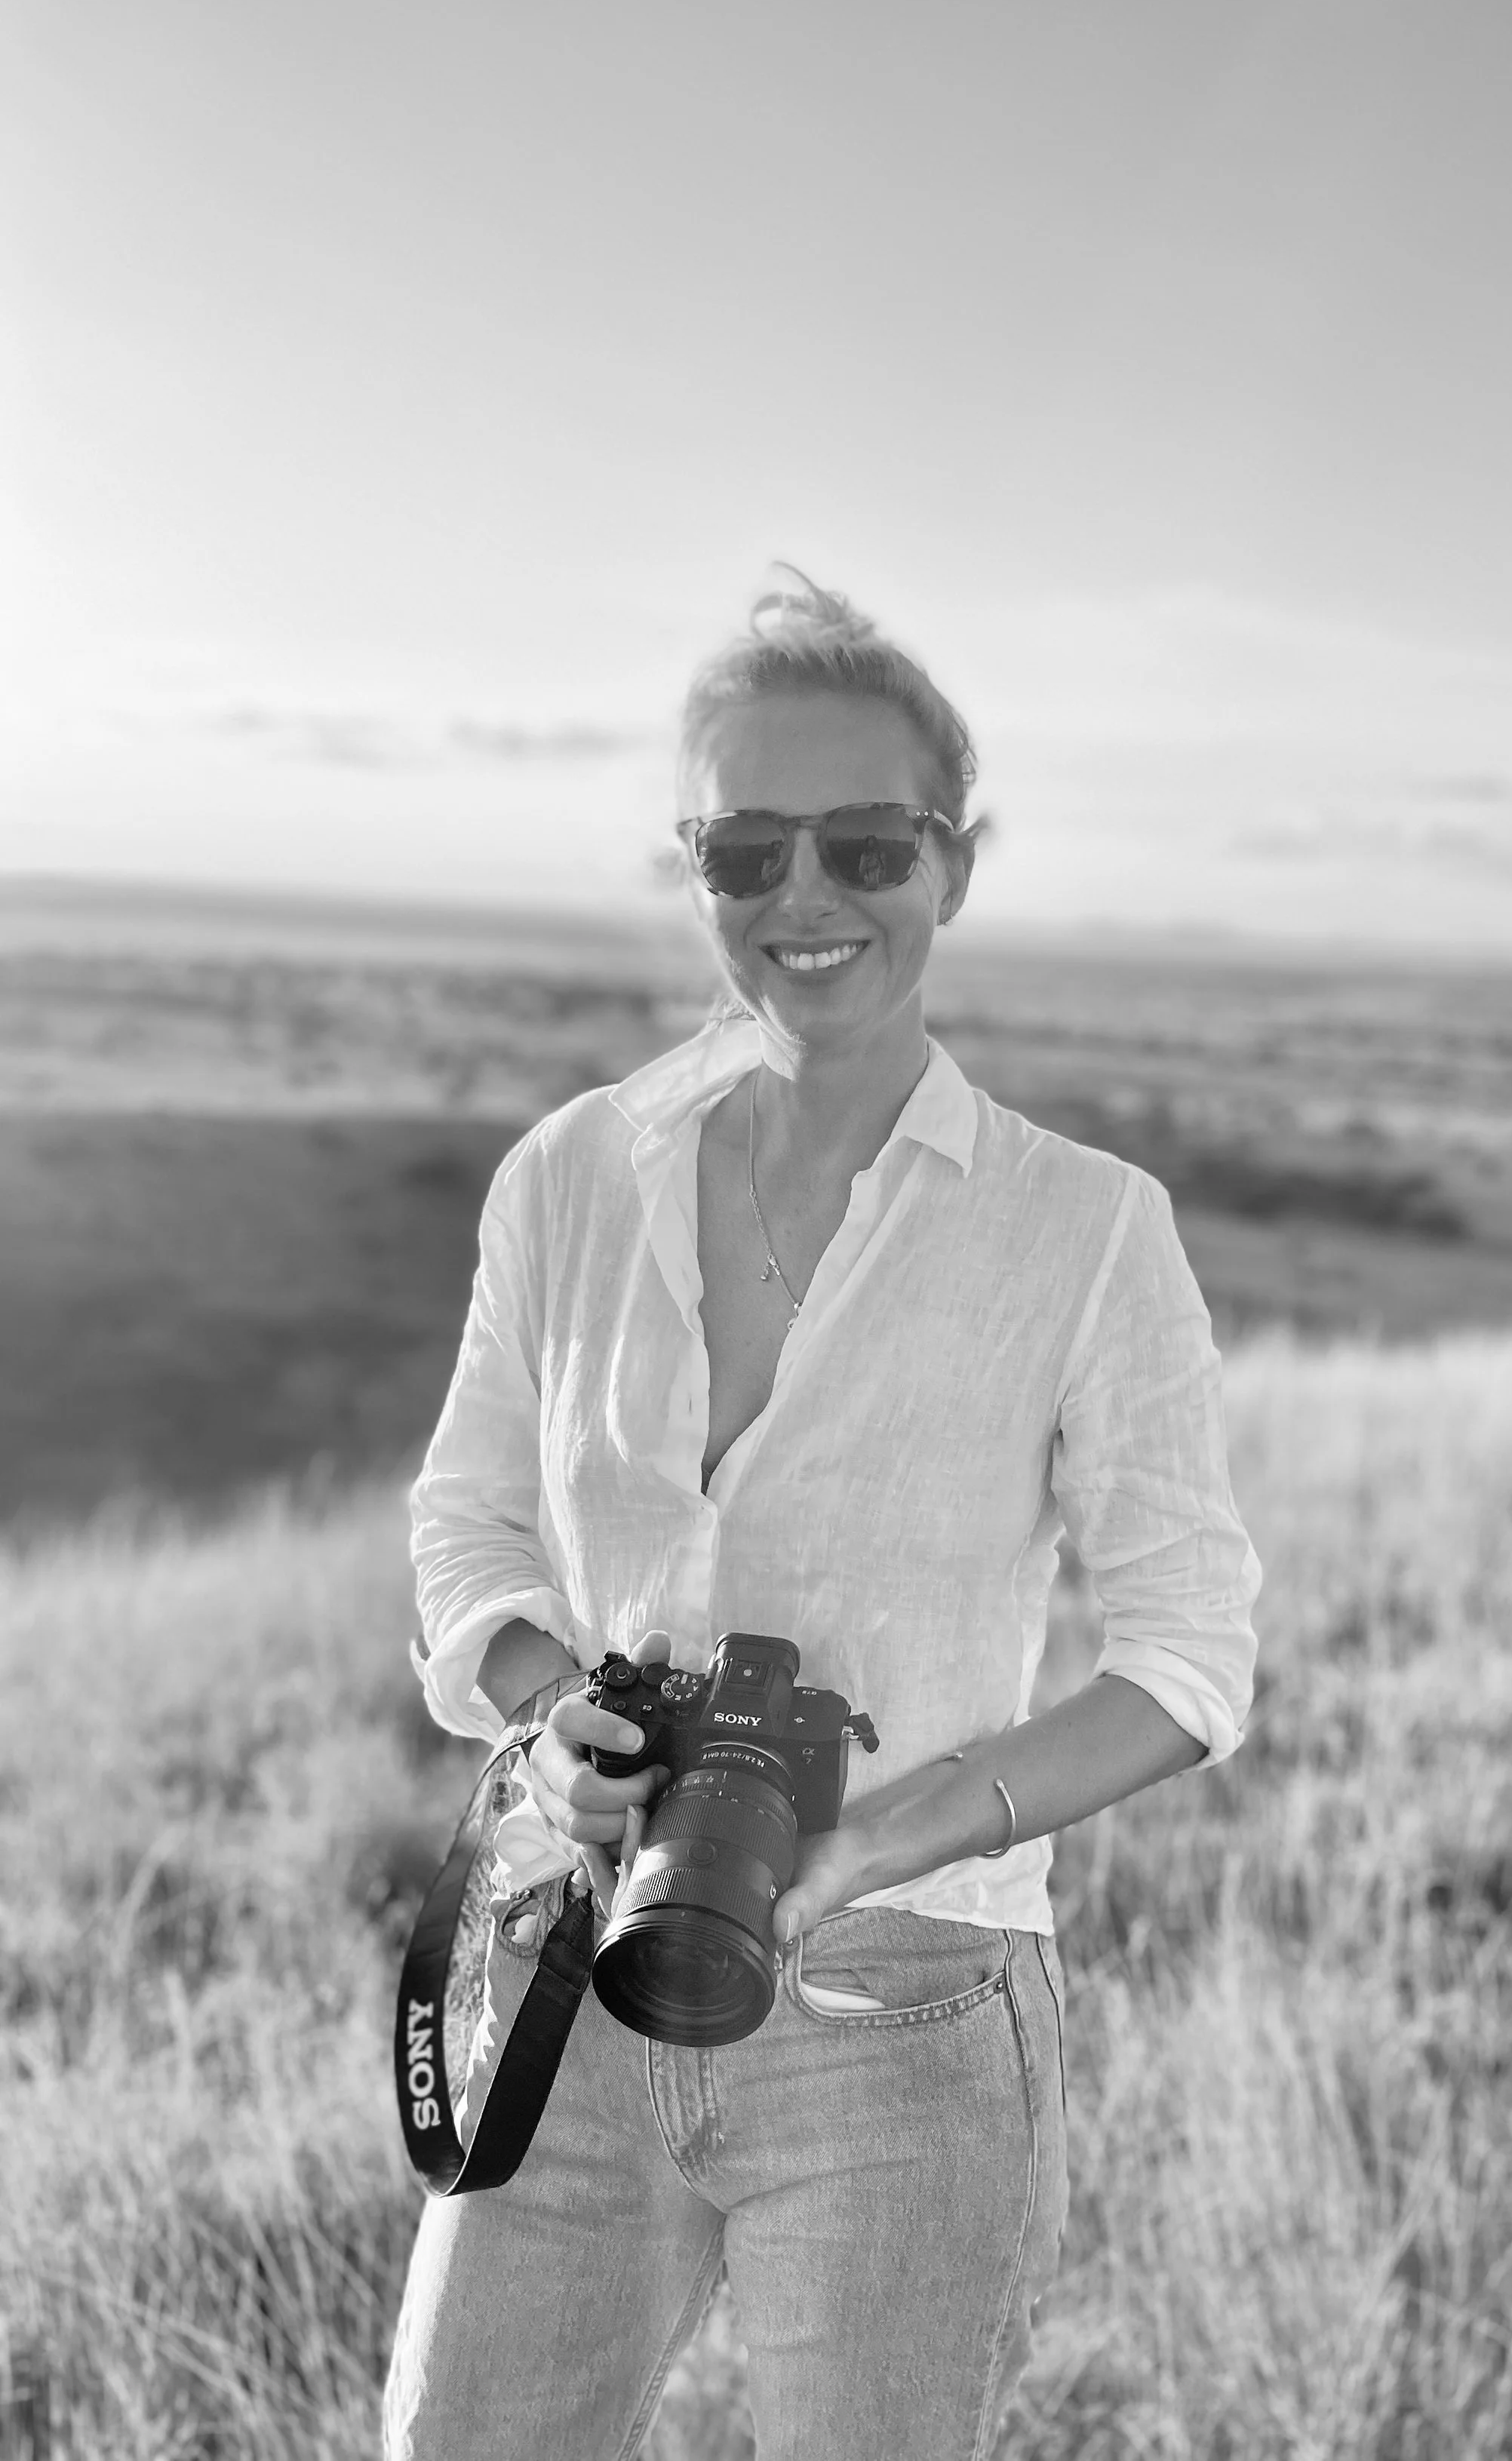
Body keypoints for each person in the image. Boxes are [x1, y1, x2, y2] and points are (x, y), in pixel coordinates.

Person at [383, 573, 1262, 2461]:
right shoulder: (570, 1178)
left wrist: (888, 1829)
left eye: (867, 844)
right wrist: (556, 1709)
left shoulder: (1084, 1230)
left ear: (958, 863)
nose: (805, 900)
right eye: (743, 848)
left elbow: (1188, 1663)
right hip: (571, 1957)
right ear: (687, 864)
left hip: (909, 2012)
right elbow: (464, 1528)